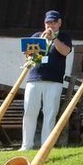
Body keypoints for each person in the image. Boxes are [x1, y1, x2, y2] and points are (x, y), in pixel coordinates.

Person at [21, 10, 72, 151]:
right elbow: (28, 57)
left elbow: (65, 51)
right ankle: (26, 145)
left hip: (54, 81)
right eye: (48, 22)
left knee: (50, 113)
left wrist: (54, 39)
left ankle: (46, 146)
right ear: (44, 23)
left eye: (54, 22)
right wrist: (41, 41)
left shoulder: (64, 37)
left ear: (59, 23)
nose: (51, 25)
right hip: (34, 79)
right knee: (29, 112)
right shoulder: (37, 36)